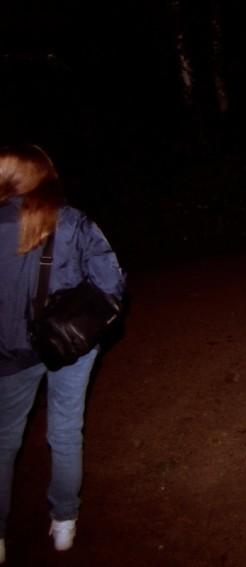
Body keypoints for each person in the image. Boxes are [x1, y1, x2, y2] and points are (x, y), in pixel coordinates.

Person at [0, 145, 126, 561]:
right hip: (69, 344)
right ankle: (65, 525)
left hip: (9, 353)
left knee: (2, 443)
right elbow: (111, 283)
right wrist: (81, 327)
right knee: (66, 431)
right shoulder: (72, 221)